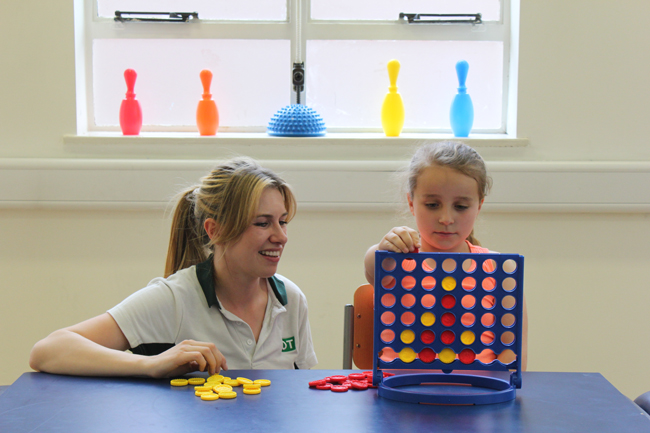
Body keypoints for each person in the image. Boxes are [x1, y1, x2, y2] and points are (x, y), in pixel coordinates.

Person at [30, 157, 317, 378]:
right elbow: (48, 350)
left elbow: (300, 395)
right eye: (262, 223)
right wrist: (152, 364)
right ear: (214, 231)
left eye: (283, 221)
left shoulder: (291, 300)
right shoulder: (175, 299)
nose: (280, 237)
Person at [364, 141, 527, 369]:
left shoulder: (501, 271)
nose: (446, 219)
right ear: (412, 203)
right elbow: (373, 265)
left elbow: (512, 360)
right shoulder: (395, 260)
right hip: (402, 394)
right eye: (432, 204)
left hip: (477, 397)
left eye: (460, 207)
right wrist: (386, 248)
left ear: (478, 207)